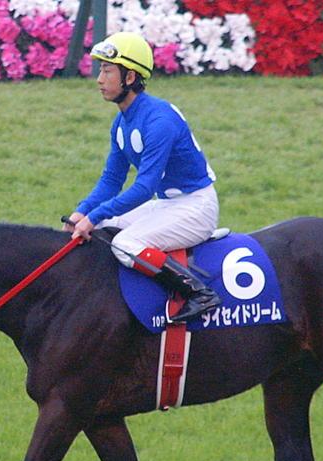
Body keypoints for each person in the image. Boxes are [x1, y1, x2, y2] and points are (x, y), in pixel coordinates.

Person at [64, 31, 222, 323]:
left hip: (196, 208)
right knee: (102, 228)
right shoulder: (121, 123)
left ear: (130, 77)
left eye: (107, 71)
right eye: (101, 70)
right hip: (168, 205)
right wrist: (81, 213)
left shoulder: (159, 121)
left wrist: (93, 216)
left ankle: (198, 293)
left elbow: (144, 187)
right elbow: (111, 181)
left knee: (126, 244)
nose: (99, 79)